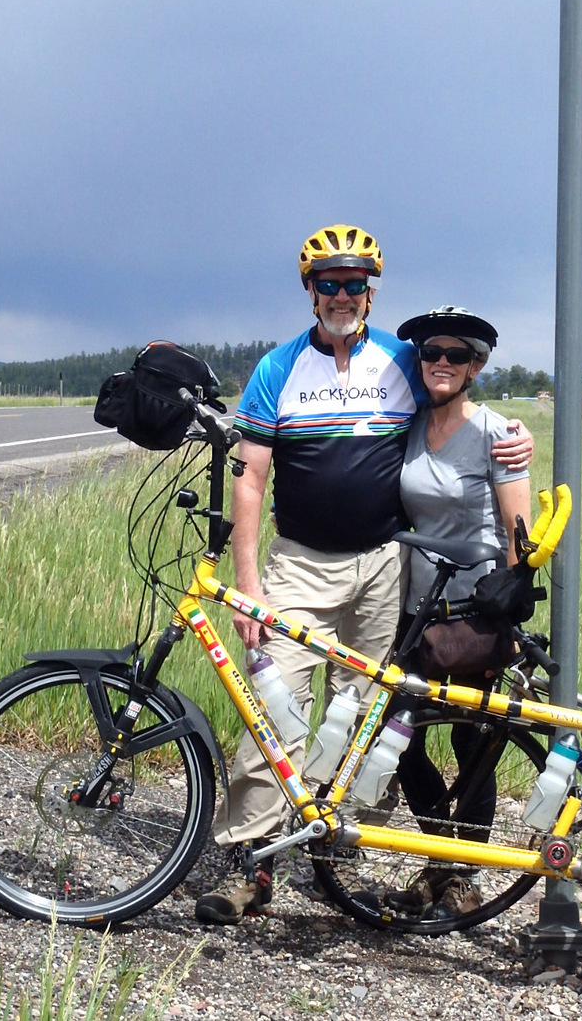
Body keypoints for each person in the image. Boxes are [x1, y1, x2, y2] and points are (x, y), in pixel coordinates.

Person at [195, 226, 532, 925]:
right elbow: (251, 479)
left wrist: (514, 436)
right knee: (273, 708)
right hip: (298, 564)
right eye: (328, 282)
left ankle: (334, 858)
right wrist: (249, 585)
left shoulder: (402, 361)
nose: (342, 294)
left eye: (354, 283)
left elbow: (457, 394)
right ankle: (248, 866)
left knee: (363, 719)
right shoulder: (278, 367)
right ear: (309, 290)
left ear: (371, 291)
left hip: (383, 571)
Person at [388, 305, 531, 921]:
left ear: (476, 365)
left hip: (471, 612)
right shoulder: (412, 423)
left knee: (472, 742)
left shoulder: (498, 432)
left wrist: (513, 602)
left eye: (456, 355)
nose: (441, 363)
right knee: (403, 740)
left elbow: (518, 533)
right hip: (414, 611)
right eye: (431, 354)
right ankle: (437, 860)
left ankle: (462, 877)